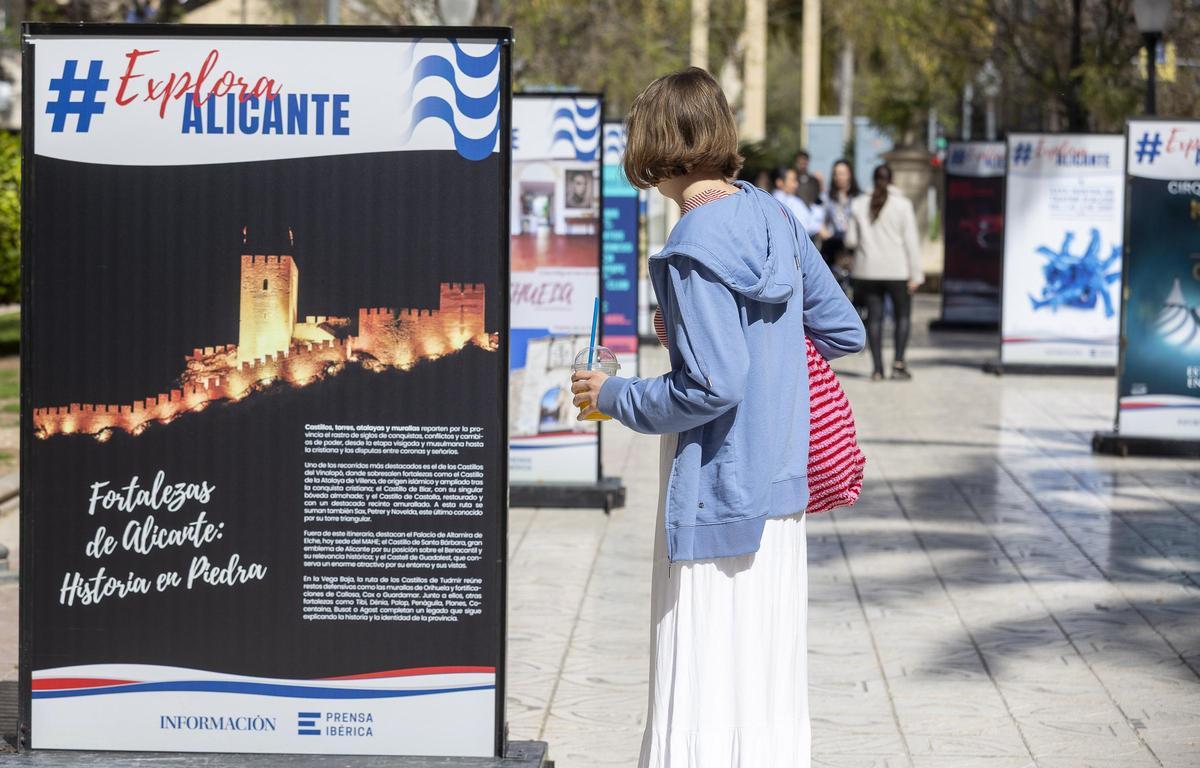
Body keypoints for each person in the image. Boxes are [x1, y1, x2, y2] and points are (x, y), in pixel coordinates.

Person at [570, 67, 865, 768]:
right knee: (763, 678)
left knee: (701, 670)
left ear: (659, 145)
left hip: (719, 490)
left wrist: (613, 396)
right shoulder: (773, 216)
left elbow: (714, 384)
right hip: (782, 491)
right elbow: (842, 330)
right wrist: (751, 346)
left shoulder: (693, 246)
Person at [845, 164, 924, 381]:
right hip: (897, 270)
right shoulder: (903, 205)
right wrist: (916, 274)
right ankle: (898, 363)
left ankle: (877, 368)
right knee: (902, 316)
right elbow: (911, 242)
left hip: (867, 270)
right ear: (892, 179)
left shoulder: (859, 203)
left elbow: (850, 239)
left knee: (875, 319)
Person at [820, 158, 861, 291]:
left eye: (842, 173)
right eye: (836, 174)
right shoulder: (827, 197)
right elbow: (820, 220)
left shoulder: (858, 197)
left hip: (852, 245)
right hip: (833, 244)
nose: (839, 177)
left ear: (850, 174)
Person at [771, 165, 824, 244]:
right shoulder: (792, 201)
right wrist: (819, 228)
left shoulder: (767, 200)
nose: (796, 185)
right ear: (779, 182)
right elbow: (803, 226)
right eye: (793, 181)